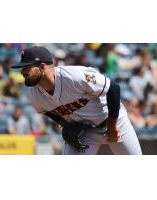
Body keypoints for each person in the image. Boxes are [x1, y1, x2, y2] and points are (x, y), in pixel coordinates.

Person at [11, 46, 142, 155]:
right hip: (85, 132)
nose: (22, 71)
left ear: (42, 67)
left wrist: (112, 127)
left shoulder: (74, 77)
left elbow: (113, 89)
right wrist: (66, 125)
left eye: (27, 67)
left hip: (115, 123)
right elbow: (48, 112)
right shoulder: (35, 95)